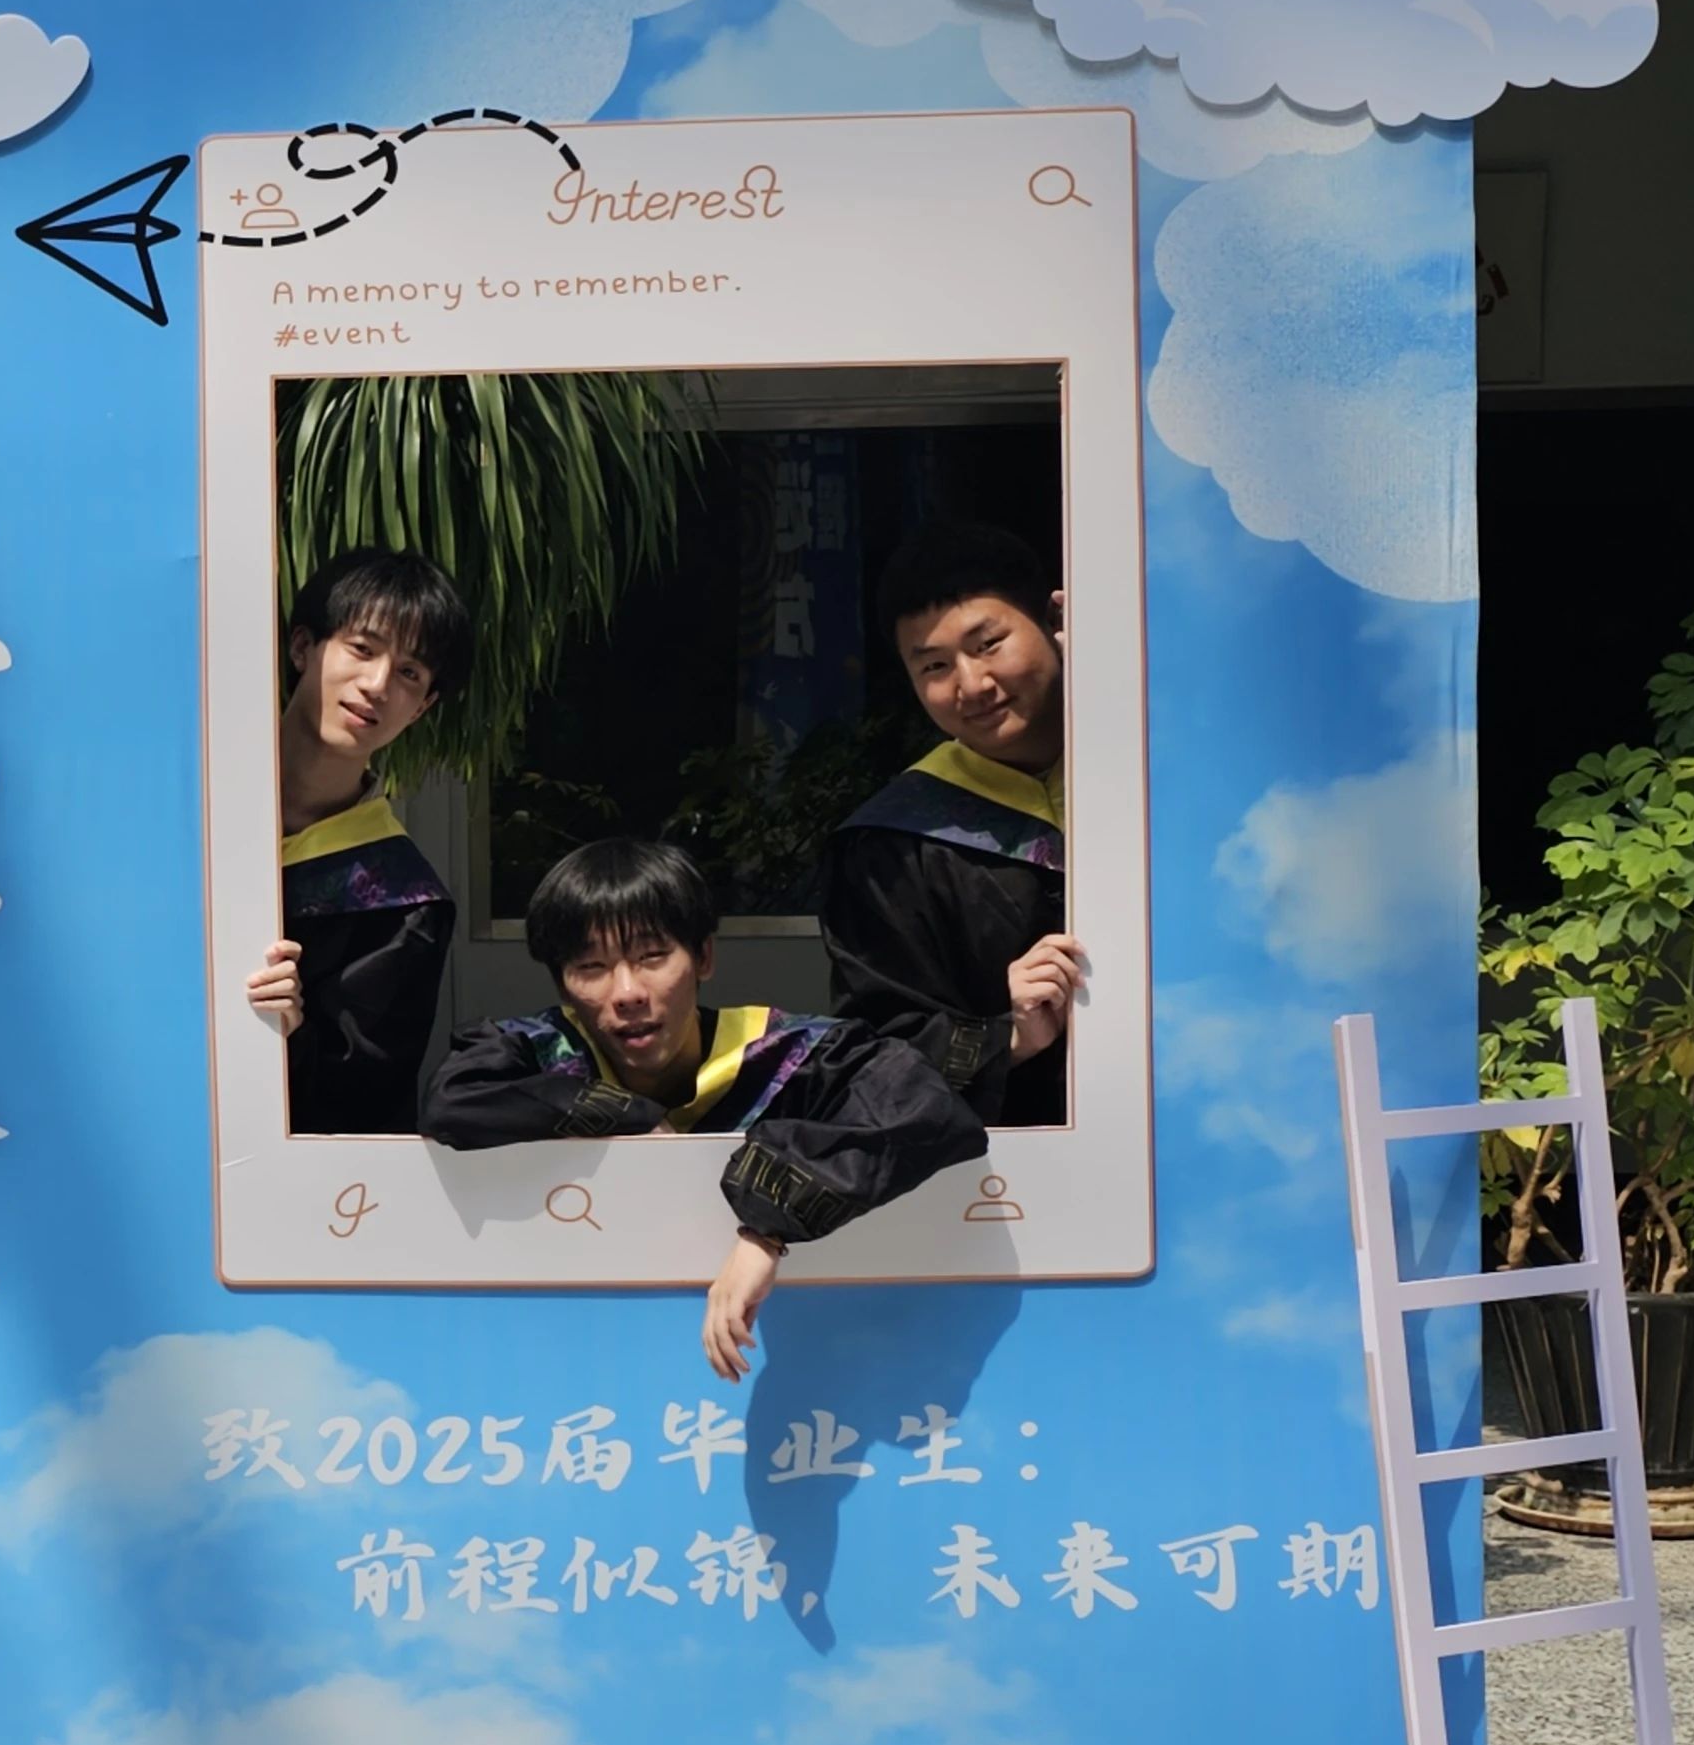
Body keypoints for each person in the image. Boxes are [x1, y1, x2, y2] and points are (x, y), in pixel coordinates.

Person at [426, 836, 985, 1380]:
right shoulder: (535, 1051)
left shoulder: (796, 1055)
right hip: (593, 1361)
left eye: (652, 956)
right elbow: (453, 1103)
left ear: (704, 957)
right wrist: (628, 1114)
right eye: (590, 967)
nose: (627, 992)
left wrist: (767, 1228)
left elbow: (921, 1104)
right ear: (563, 984)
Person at [820, 519, 1087, 1126]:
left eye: (989, 644)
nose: (972, 684)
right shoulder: (890, 848)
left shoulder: (1164, 769)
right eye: (935, 666)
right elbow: (878, 1054)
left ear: (1054, 619)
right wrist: (1006, 1035)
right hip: (1020, 1160)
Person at [242, 545, 472, 1136]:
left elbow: (363, 1108)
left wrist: (290, 1033)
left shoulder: (403, 904)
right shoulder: (184, 808)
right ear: (302, 647)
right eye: (363, 649)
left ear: (422, 708)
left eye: (410, 674)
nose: (376, 685)